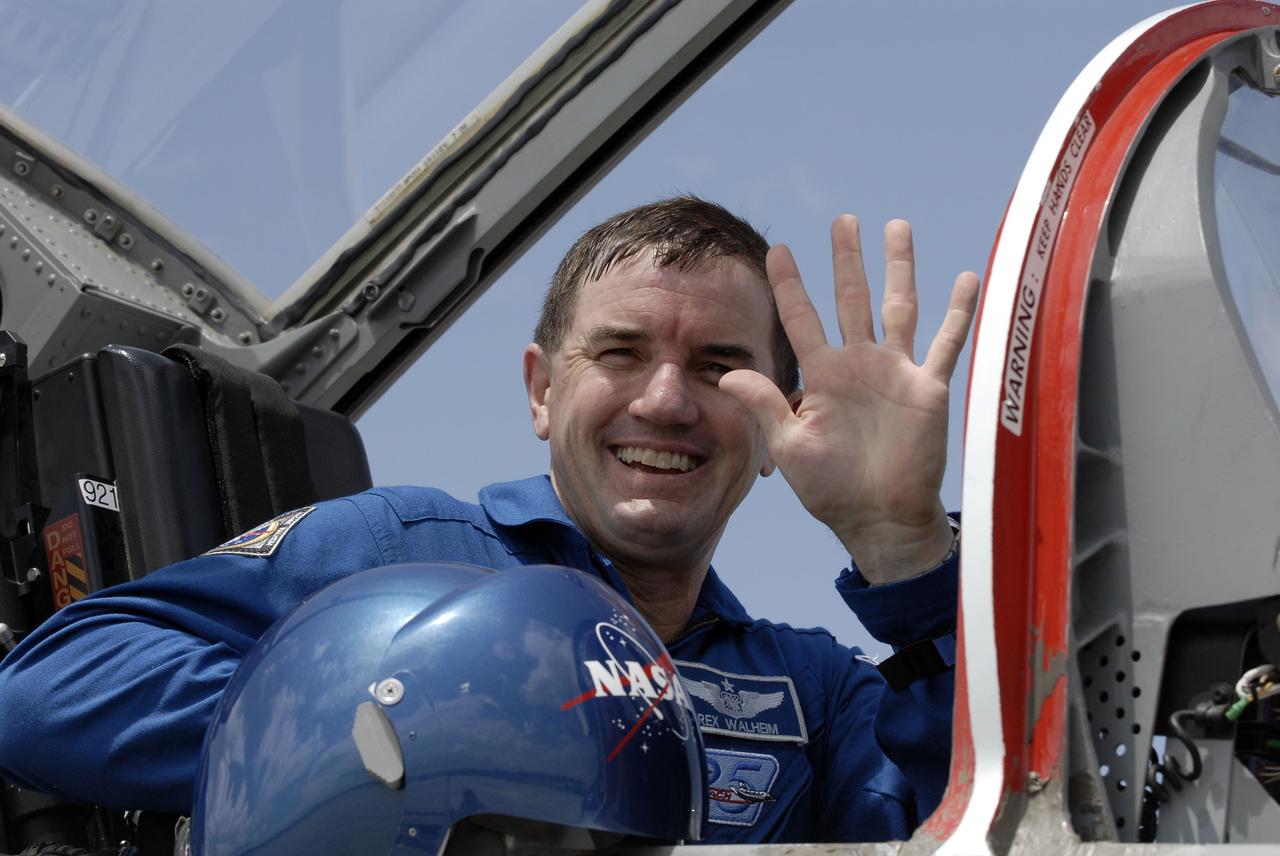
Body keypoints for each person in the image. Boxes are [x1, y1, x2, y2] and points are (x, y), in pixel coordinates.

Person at [0, 196, 979, 844]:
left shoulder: (810, 694)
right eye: (621, 353)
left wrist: (899, 545)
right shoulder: (391, 552)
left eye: (721, 367)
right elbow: (42, 688)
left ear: (772, 427)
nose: (668, 400)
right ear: (541, 391)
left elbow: (970, 826)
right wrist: (366, 726)